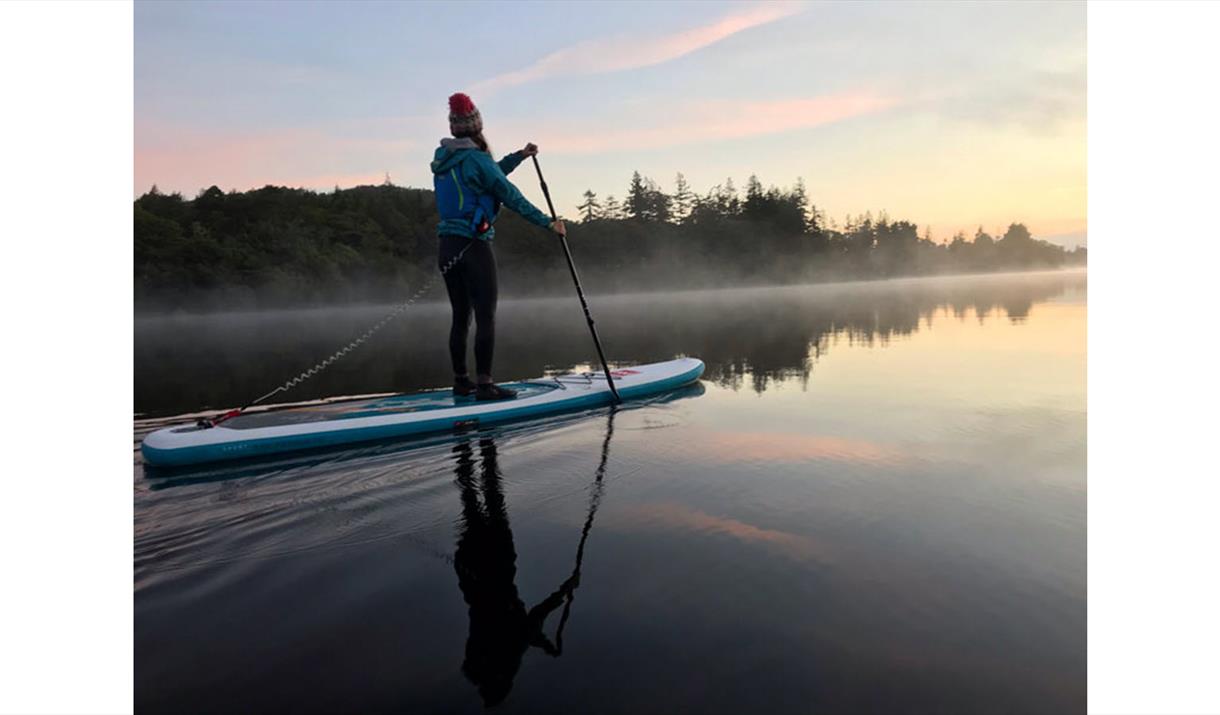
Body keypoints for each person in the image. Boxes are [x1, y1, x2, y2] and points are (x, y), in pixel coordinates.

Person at [431, 92, 566, 401]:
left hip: (447, 246)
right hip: (474, 246)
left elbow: (492, 174)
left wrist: (519, 156)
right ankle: (485, 386)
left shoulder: (445, 160)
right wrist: (547, 222)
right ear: (477, 126)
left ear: (454, 129)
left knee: (460, 316)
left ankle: (461, 381)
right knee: (486, 316)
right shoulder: (476, 159)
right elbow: (508, 194)